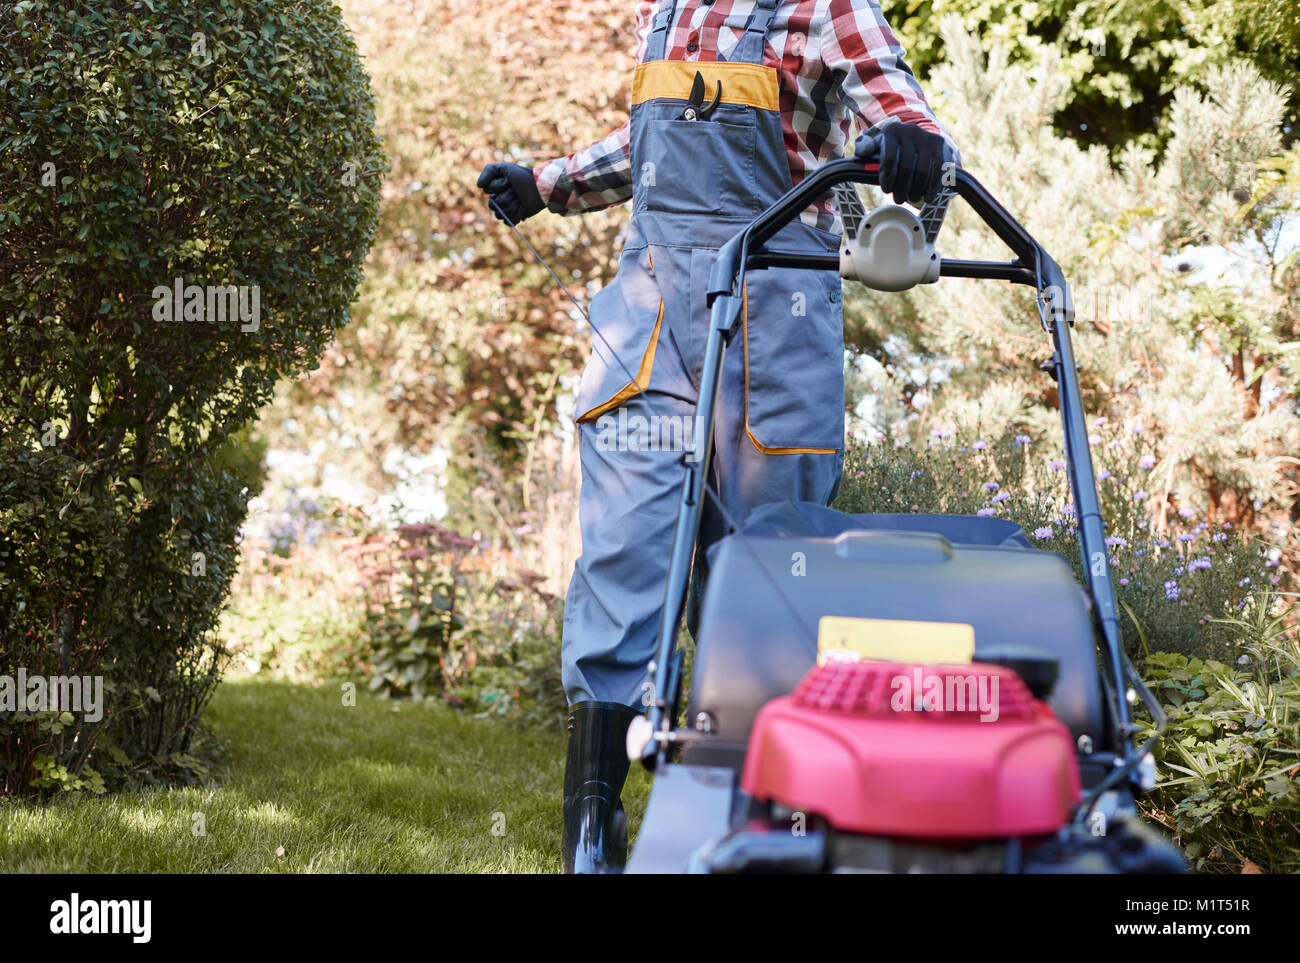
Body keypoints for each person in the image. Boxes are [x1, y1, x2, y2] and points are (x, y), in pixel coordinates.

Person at [477, 0, 958, 873]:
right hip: (651, 309)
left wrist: (916, 144)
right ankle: (596, 824)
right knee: (624, 547)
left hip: (775, 306)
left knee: (763, 570)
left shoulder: (824, 9)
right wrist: (546, 182)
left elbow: (895, 103)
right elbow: (649, 152)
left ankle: (754, 818)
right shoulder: (665, 12)